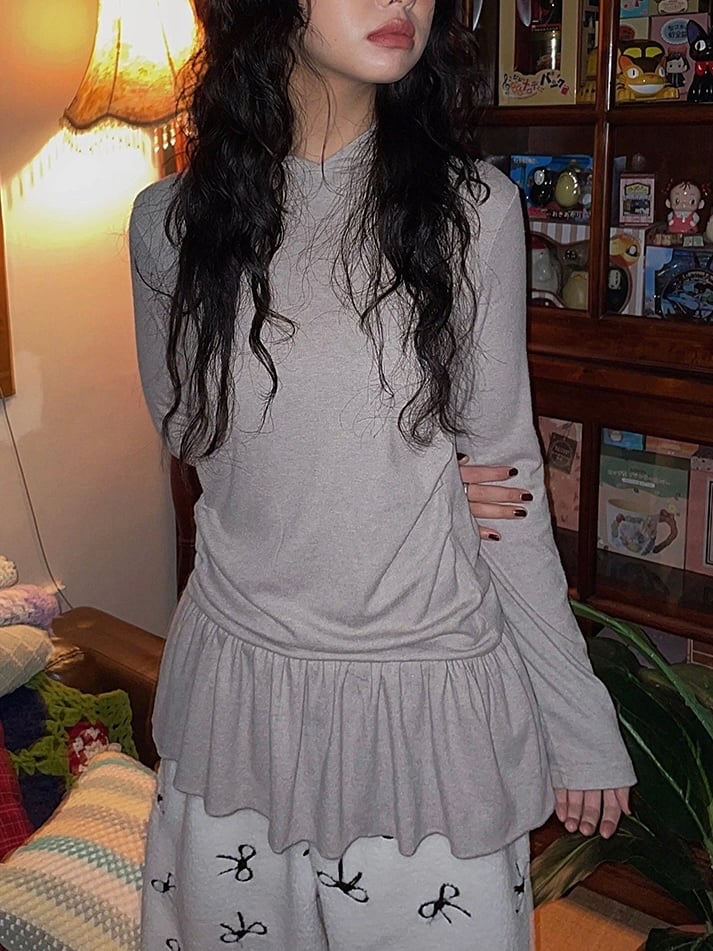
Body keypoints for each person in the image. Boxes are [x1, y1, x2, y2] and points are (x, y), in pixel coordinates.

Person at [130, 1, 635, 948]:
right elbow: (194, 434)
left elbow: (508, 489)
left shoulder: (471, 210)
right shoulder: (168, 220)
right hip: (240, 696)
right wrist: (396, 466)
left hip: (422, 704)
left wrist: (578, 715)